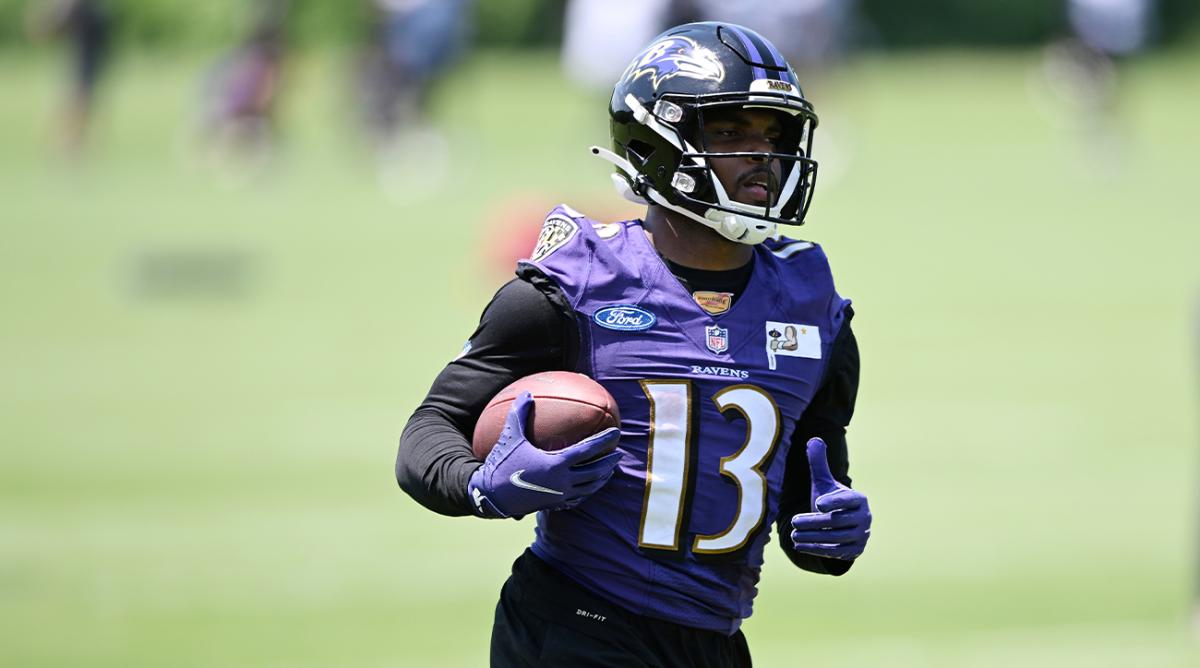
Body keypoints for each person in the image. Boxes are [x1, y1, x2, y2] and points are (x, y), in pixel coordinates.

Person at [397, 22, 872, 666]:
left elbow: (808, 481)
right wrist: (482, 485)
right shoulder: (577, 285)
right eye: (732, 132)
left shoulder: (813, 306)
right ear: (658, 143)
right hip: (577, 621)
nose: (762, 154)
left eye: (774, 135)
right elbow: (430, 431)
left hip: (715, 641)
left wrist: (827, 527)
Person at [24, 0, 112, 155]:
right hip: (85, 48)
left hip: (91, 46)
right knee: (78, 96)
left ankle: (72, 143)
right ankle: (68, 143)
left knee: (80, 96)